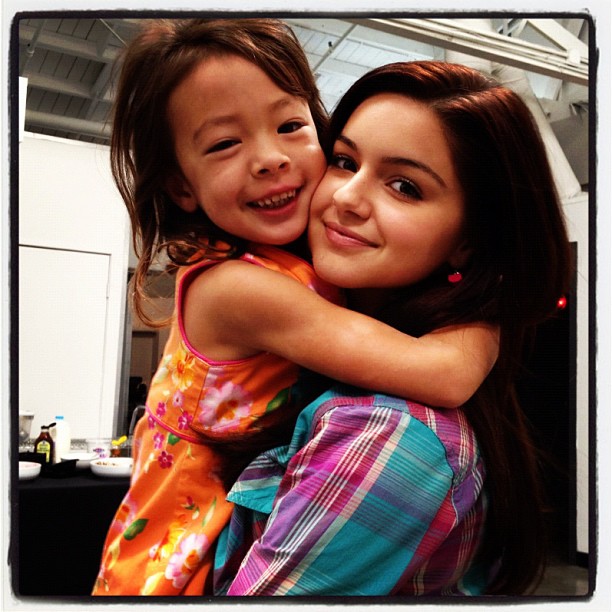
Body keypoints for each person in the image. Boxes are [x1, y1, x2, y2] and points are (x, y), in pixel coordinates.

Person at [92, 20, 498, 596]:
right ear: (182, 187)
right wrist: (495, 303)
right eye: (224, 144)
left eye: (289, 126)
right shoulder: (238, 287)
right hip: (177, 559)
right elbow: (446, 373)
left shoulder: (293, 264)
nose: (269, 159)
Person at [213, 61, 572, 596]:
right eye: (344, 161)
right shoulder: (296, 338)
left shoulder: (390, 433)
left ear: (468, 241)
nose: (345, 198)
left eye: (404, 186)